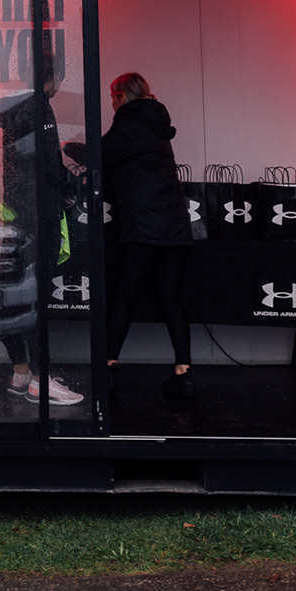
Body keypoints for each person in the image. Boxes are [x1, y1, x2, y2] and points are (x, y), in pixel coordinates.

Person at [0, 56, 84, 407]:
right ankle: (41, 381)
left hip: (17, 218)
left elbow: (25, 161)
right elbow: (49, 164)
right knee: (33, 302)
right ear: (52, 78)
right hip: (39, 218)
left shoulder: (12, 110)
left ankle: (21, 372)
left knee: (4, 304)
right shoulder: (39, 108)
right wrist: (74, 185)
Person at [89, 72, 194, 399]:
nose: (111, 103)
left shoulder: (129, 125)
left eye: (112, 97)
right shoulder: (157, 125)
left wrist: (69, 148)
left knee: (124, 295)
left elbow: (97, 155)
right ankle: (184, 373)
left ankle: (108, 369)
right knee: (170, 298)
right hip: (175, 225)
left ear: (121, 97)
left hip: (144, 226)